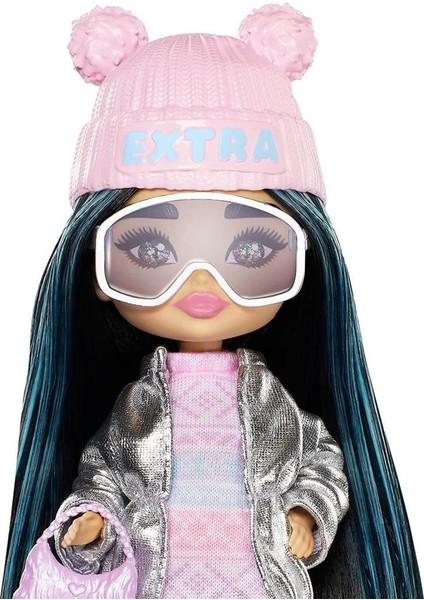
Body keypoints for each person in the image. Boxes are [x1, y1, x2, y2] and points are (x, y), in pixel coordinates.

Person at [2, 4, 422, 599]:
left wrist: (306, 512)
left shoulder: (270, 401)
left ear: (306, 262)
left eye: (251, 251)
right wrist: (92, 519)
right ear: (94, 269)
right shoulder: (138, 406)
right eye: (150, 250)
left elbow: (322, 461)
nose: (201, 282)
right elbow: (103, 474)